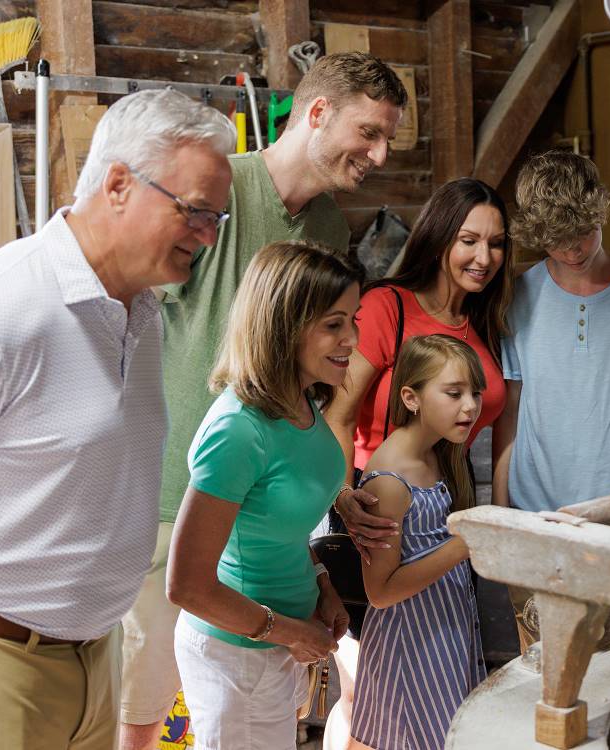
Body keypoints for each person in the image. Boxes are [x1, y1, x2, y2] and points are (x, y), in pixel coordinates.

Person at [119, 52, 407, 750]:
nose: (380, 153)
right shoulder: (221, 190)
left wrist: (329, 488)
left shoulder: (329, 229)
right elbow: (130, 319)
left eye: (388, 139)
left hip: (260, 502)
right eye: (368, 132)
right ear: (317, 113)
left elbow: (306, 394)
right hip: (169, 494)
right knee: (142, 705)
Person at [0, 89, 234, 750]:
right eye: (196, 211)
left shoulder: (143, 312)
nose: (209, 236)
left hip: (94, 660)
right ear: (120, 184)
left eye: (218, 218)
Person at [323, 178, 513, 747]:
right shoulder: (388, 308)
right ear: (438, 239)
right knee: (375, 693)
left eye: (497, 244)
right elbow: (337, 414)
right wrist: (342, 496)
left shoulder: (485, 320)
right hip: (378, 507)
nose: (484, 257)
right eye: (468, 240)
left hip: (445, 503)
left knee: (435, 694)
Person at [166, 241, 361, 750]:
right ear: (286, 325)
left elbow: (275, 525)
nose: (353, 338)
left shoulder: (302, 400)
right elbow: (186, 585)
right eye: (334, 323)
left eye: (353, 319)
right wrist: (292, 633)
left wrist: (320, 583)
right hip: (237, 659)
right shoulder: (237, 430)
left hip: (276, 647)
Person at [491, 150, 610, 650]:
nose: (571, 250)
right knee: (540, 661)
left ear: (601, 214)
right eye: (555, 241)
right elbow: (510, 409)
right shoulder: (517, 296)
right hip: (536, 512)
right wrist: (502, 505)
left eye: (581, 234)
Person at [348, 334, 487, 750]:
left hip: (444, 630)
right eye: (454, 393)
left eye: (475, 393)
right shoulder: (390, 481)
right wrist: (463, 544)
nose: (471, 406)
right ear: (411, 397)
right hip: (411, 643)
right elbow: (381, 592)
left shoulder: (437, 455)